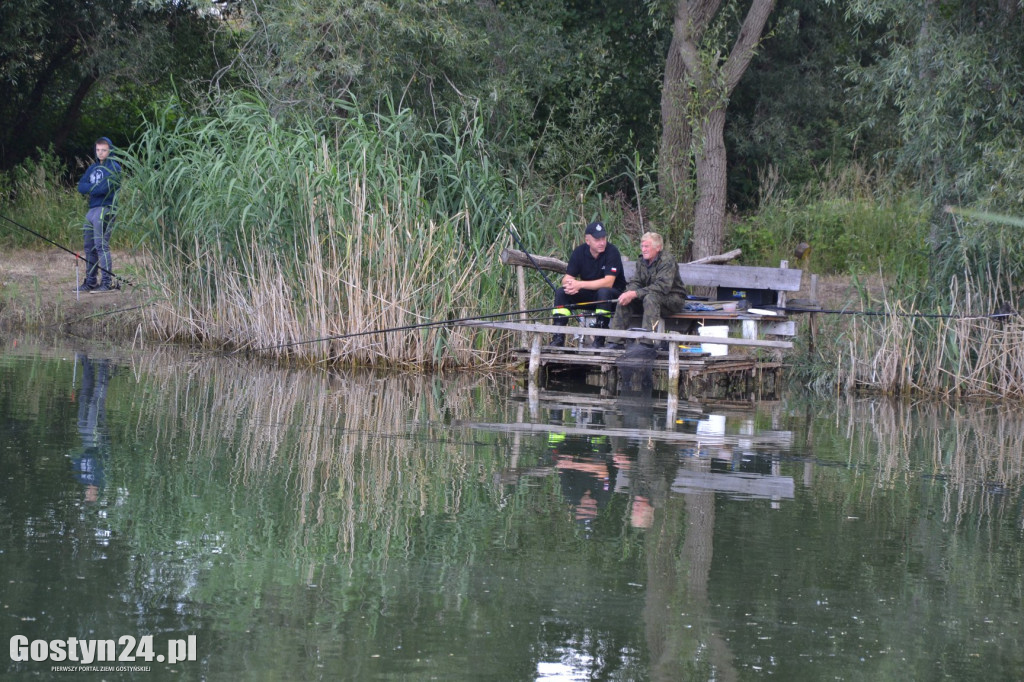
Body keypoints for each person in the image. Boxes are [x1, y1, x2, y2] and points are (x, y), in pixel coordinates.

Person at [550, 220, 627, 347]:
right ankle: (558, 335)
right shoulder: (579, 252)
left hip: (612, 298)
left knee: (604, 292)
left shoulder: (612, 251)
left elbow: (608, 282)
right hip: (589, 296)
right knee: (561, 292)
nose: (602, 242)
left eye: (603, 238)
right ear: (587, 241)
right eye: (597, 239)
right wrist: (571, 284)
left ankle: (599, 337)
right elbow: (566, 278)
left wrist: (579, 285)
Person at [607, 231, 688, 348]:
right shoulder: (641, 261)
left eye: (647, 246)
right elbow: (637, 282)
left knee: (650, 298)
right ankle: (615, 341)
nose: (643, 249)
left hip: (672, 299)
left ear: (658, 248)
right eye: (642, 246)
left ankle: (647, 342)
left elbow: (662, 287)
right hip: (648, 297)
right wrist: (628, 293)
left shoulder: (667, 261)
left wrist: (635, 293)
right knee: (625, 298)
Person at [75, 137, 121, 292]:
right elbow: (81, 186)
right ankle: (90, 281)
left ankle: (106, 282)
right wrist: (95, 187)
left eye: (104, 150)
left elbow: (105, 189)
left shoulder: (114, 167)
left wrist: (91, 187)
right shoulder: (92, 168)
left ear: (110, 150)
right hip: (91, 209)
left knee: (101, 245)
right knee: (89, 247)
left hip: (105, 208)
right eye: (98, 150)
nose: (101, 153)